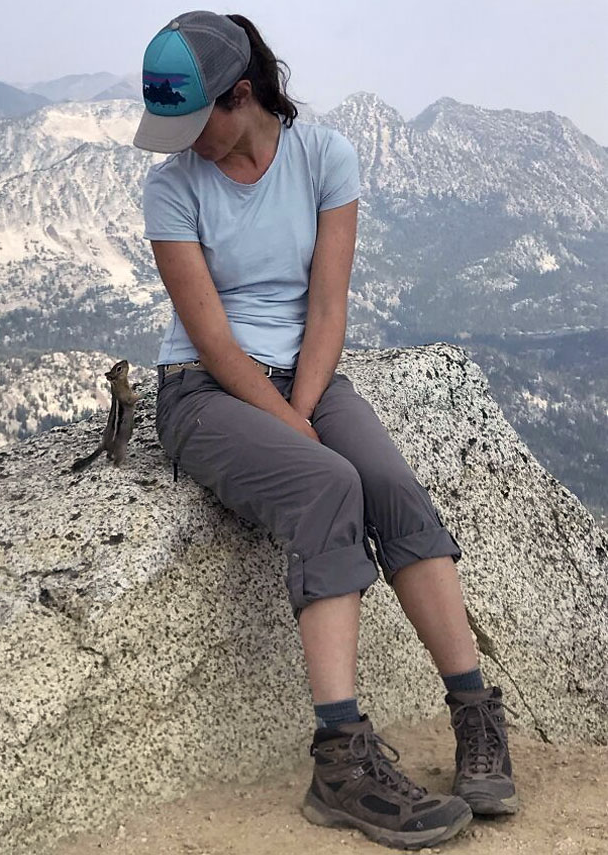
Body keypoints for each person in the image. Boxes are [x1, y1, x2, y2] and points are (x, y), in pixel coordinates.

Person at [134, 10, 518, 850]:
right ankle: (340, 758)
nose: (181, 144)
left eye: (195, 124)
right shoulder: (170, 188)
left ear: (243, 96)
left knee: (389, 483)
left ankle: (476, 714)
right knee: (327, 483)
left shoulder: (323, 157)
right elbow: (213, 342)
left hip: (305, 372)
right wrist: (297, 434)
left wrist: (304, 408)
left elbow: (328, 306)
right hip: (203, 391)